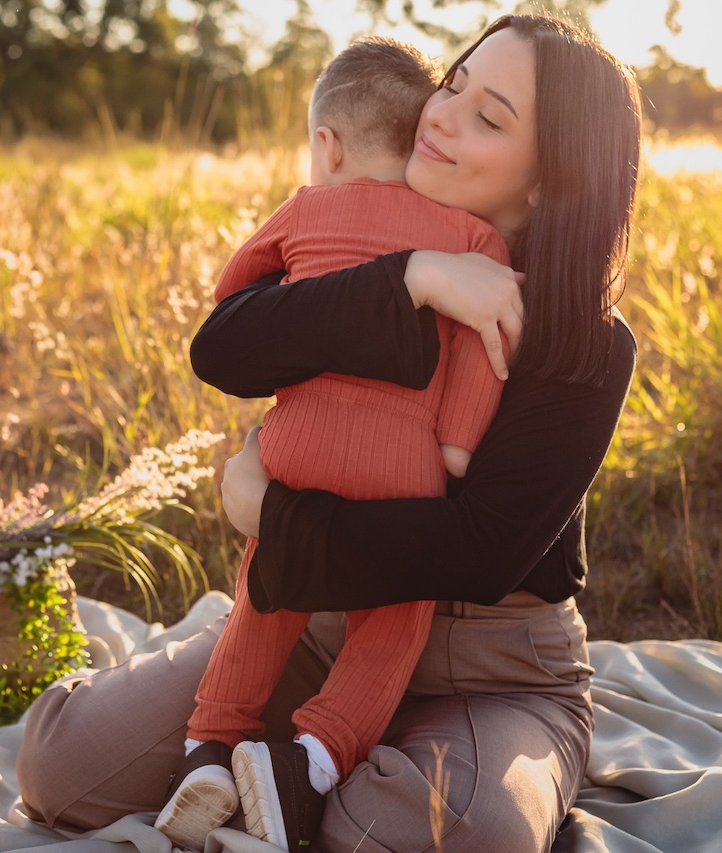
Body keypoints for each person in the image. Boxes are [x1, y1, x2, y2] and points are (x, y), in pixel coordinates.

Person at [17, 13, 642, 852]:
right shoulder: (356, 239)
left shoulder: (586, 341)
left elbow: (478, 548)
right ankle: (291, 745)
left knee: (431, 834)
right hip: (320, 623)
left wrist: (272, 517)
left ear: (546, 184)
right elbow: (226, 346)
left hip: (492, 673)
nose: (442, 115)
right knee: (62, 770)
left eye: (490, 117)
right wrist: (415, 277)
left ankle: (338, 770)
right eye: (453, 84)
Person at [153, 36, 513, 853]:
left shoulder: (303, 207)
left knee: (266, 588)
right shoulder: (471, 239)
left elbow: (234, 292)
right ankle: (310, 759)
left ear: (327, 144)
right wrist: (452, 453)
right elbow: (479, 358)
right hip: (402, 461)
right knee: (395, 613)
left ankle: (207, 747)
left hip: (295, 444)